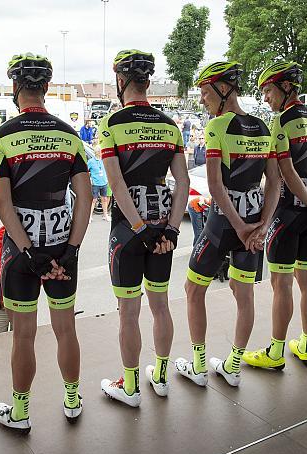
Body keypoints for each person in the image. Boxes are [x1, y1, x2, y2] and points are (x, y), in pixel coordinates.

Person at [0, 53, 92, 431]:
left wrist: (28, 251)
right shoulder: (69, 134)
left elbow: (2, 203)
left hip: (23, 250)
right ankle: (71, 401)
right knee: (66, 328)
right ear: (46, 88)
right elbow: (86, 196)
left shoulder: (4, 135)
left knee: (24, 336)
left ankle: (20, 412)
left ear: (15, 88)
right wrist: (73, 249)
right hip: (64, 246)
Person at [176, 62, 281, 388]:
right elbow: (274, 183)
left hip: (224, 225)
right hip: (253, 224)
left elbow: (216, 186)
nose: (203, 100)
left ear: (224, 91)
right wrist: (261, 226)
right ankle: (233, 366)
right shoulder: (264, 127)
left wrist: (238, 227)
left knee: (193, 289)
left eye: (206, 93)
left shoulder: (217, 126)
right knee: (243, 292)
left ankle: (198, 366)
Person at [99, 49, 189, 406]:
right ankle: (162, 377)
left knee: (128, 311)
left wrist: (140, 227)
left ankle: (132, 386)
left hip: (129, 232)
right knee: (161, 305)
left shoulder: (112, 124)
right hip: (163, 231)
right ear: (148, 82)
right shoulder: (170, 126)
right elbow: (181, 182)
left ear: (121, 82)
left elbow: (117, 185)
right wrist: (169, 230)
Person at [243, 62, 307, 370]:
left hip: (289, 212)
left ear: (285, 88)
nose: (266, 98)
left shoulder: (284, 120)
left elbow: (285, 171)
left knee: (281, 284)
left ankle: (275, 353)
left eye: (269, 90)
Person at [87, 145, 110, 221]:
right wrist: (90, 179)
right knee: (93, 200)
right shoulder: (91, 161)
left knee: (104, 199)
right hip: (95, 184)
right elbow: (86, 171)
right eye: (101, 152)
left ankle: (105, 215)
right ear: (98, 152)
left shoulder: (103, 160)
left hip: (104, 182)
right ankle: (89, 216)